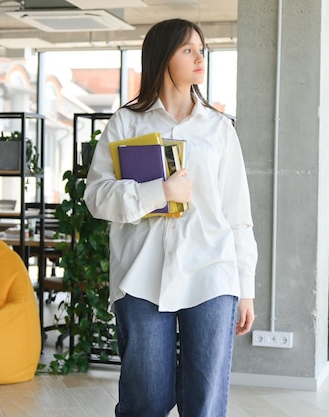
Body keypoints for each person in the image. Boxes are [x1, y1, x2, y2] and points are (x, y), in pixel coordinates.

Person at [83, 18, 258, 417]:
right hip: (141, 278)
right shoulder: (126, 122)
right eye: (188, 50)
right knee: (146, 400)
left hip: (212, 274)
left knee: (205, 404)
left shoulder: (219, 130)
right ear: (163, 57)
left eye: (201, 50)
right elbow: (96, 197)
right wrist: (159, 193)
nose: (200, 58)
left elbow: (238, 215)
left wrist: (245, 287)